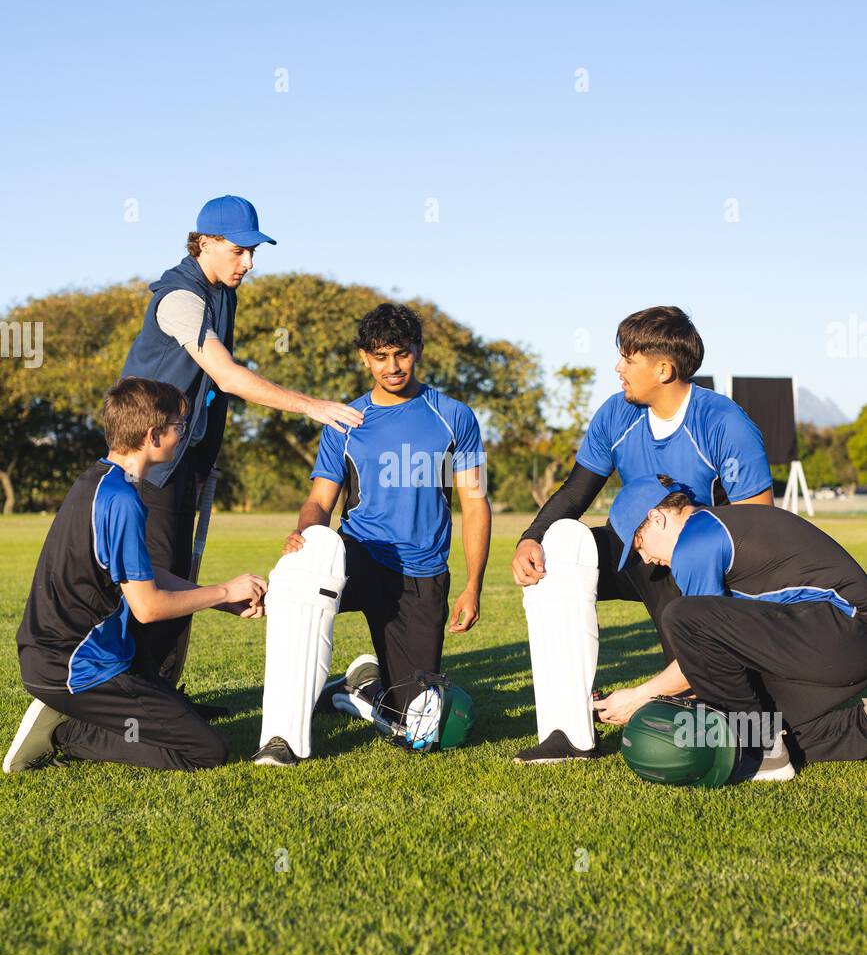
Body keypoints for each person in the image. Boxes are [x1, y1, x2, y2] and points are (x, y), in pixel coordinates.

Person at [119, 194, 363, 694]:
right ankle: (140, 698)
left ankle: (166, 691)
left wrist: (204, 457)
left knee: (179, 574)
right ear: (204, 243)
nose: (249, 263)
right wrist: (312, 406)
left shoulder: (222, 293)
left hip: (183, 462)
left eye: (254, 252)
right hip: (148, 466)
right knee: (159, 580)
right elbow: (226, 377)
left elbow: (207, 393)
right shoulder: (180, 298)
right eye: (238, 251)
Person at [510, 305, 774, 766]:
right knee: (562, 544)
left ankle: (703, 702)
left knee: (683, 559)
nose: (618, 368)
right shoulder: (617, 413)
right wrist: (532, 537)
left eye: (628, 359)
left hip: (697, 560)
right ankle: (568, 732)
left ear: (664, 368)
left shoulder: (724, 422)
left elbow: (759, 524)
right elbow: (577, 491)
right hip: (630, 553)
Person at [253, 303, 491, 767]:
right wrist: (304, 535)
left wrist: (473, 585)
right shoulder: (346, 420)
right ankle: (282, 737)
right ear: (364, 358)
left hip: (421, 574)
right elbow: (319, 501)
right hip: (358, 558)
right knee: (307, 570)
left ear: (418, 351)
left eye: (401, 354)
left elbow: (474, 502)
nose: (392, 367)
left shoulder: (454, 418)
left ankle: (362, 686)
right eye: (380, 356)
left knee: (418, 726)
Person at [5, 378, 267, 774]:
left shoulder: (100, 481)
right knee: (206, 750)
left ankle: (68, 708)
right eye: (178, 426)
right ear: (152, 435)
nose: (183, 434)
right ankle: (67, 732)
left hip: (50, 658)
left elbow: (144, 573)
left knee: (174, 718)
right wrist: (224, 589)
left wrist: (221, 599)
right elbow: (147, 607)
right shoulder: (123, 499)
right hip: (76, 666)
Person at [595, 475, 867, 774]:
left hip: (846, 629)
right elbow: (713, 661)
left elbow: (696, 647)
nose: (645, 559)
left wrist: (637, 697)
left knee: (682, 616)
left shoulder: (694, 543)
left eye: (639, 545)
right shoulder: (709, 524)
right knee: (771, 724)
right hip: (835, 640)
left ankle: (762, 753)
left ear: (657, 518)